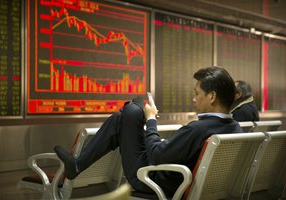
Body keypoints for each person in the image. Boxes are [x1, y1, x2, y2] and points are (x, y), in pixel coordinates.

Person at [54, 66, 243, 196]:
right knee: (123, 118)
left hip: (152, 182)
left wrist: (151, 119)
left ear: (211, 96)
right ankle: (77, 165)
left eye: (196, 93)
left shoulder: (197, 128)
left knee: (132, 110)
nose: (194, 99)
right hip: (180, 181)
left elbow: (156, 156)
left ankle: (77, 165)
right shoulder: (235, 128)